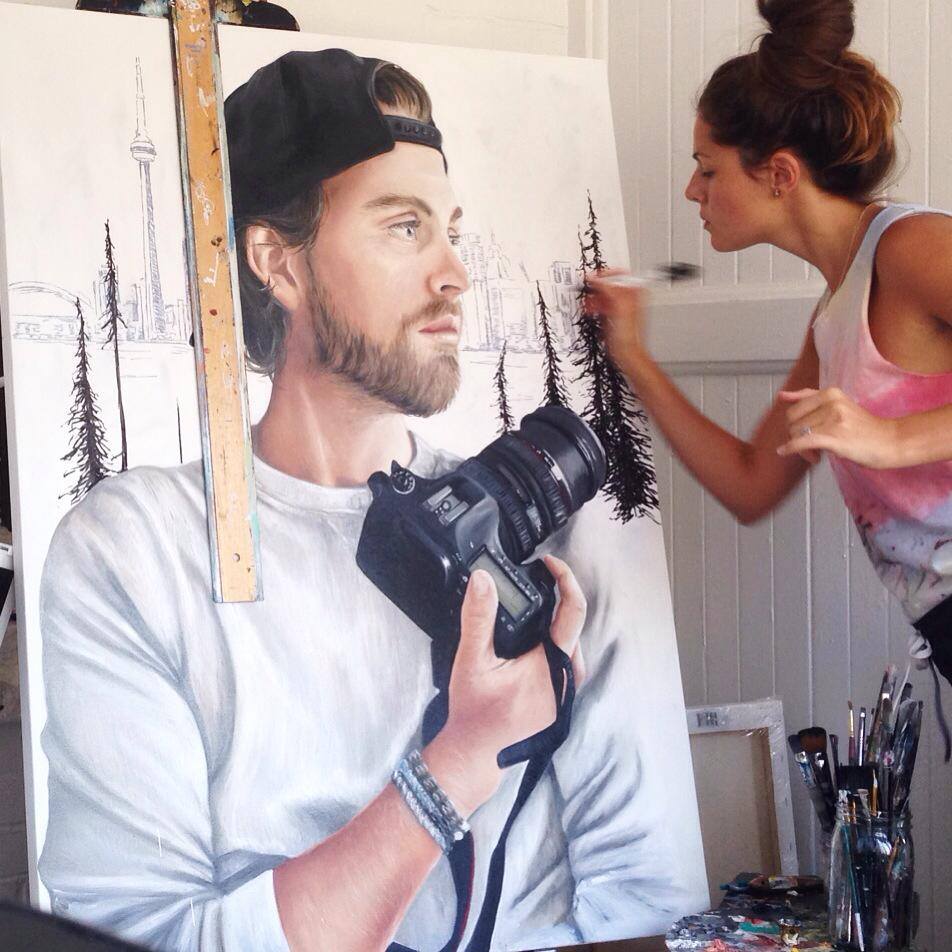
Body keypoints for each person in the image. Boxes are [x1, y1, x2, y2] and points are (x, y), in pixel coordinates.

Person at [38, 49, 694, 952]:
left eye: (450, 229)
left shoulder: (553, 541)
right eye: (404, 227)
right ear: (277, 262)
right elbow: (134, 933)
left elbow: (647, 902)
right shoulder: (135, 551)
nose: (454, 273)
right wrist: (458, 762)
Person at [587, 0, 952, 715]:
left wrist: (892, 437)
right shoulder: (835, 315)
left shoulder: (910, 248)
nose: (692, 190)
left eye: (707, 169)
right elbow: (752, 483)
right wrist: (633, 356)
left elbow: (883, 441)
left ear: (780, 174)